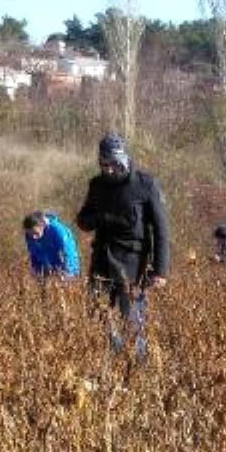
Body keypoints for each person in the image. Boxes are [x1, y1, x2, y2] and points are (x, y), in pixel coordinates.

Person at [76, 132, 170, 357]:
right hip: (101, 257)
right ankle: (114, 355)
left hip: (132, 259)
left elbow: (161, 229)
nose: (107, 169)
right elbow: (83, 220)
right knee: (96, 310)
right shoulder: (96, 185)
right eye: (103, 164)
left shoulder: (145, 184)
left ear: (122, 160)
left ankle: (139, 362)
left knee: (130, 314)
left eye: (111, 164)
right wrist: (98, 218)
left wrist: (160, 270)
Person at [23, 210, 80, 280]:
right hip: (48, 270)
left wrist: (67, 273)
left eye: (36, 233)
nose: (33, 237)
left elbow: (69, 253)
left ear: (43, 226)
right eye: (30, 234)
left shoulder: (58, 230)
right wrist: (37, 273)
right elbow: (34, 255)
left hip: (67, 270)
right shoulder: (29, 235)